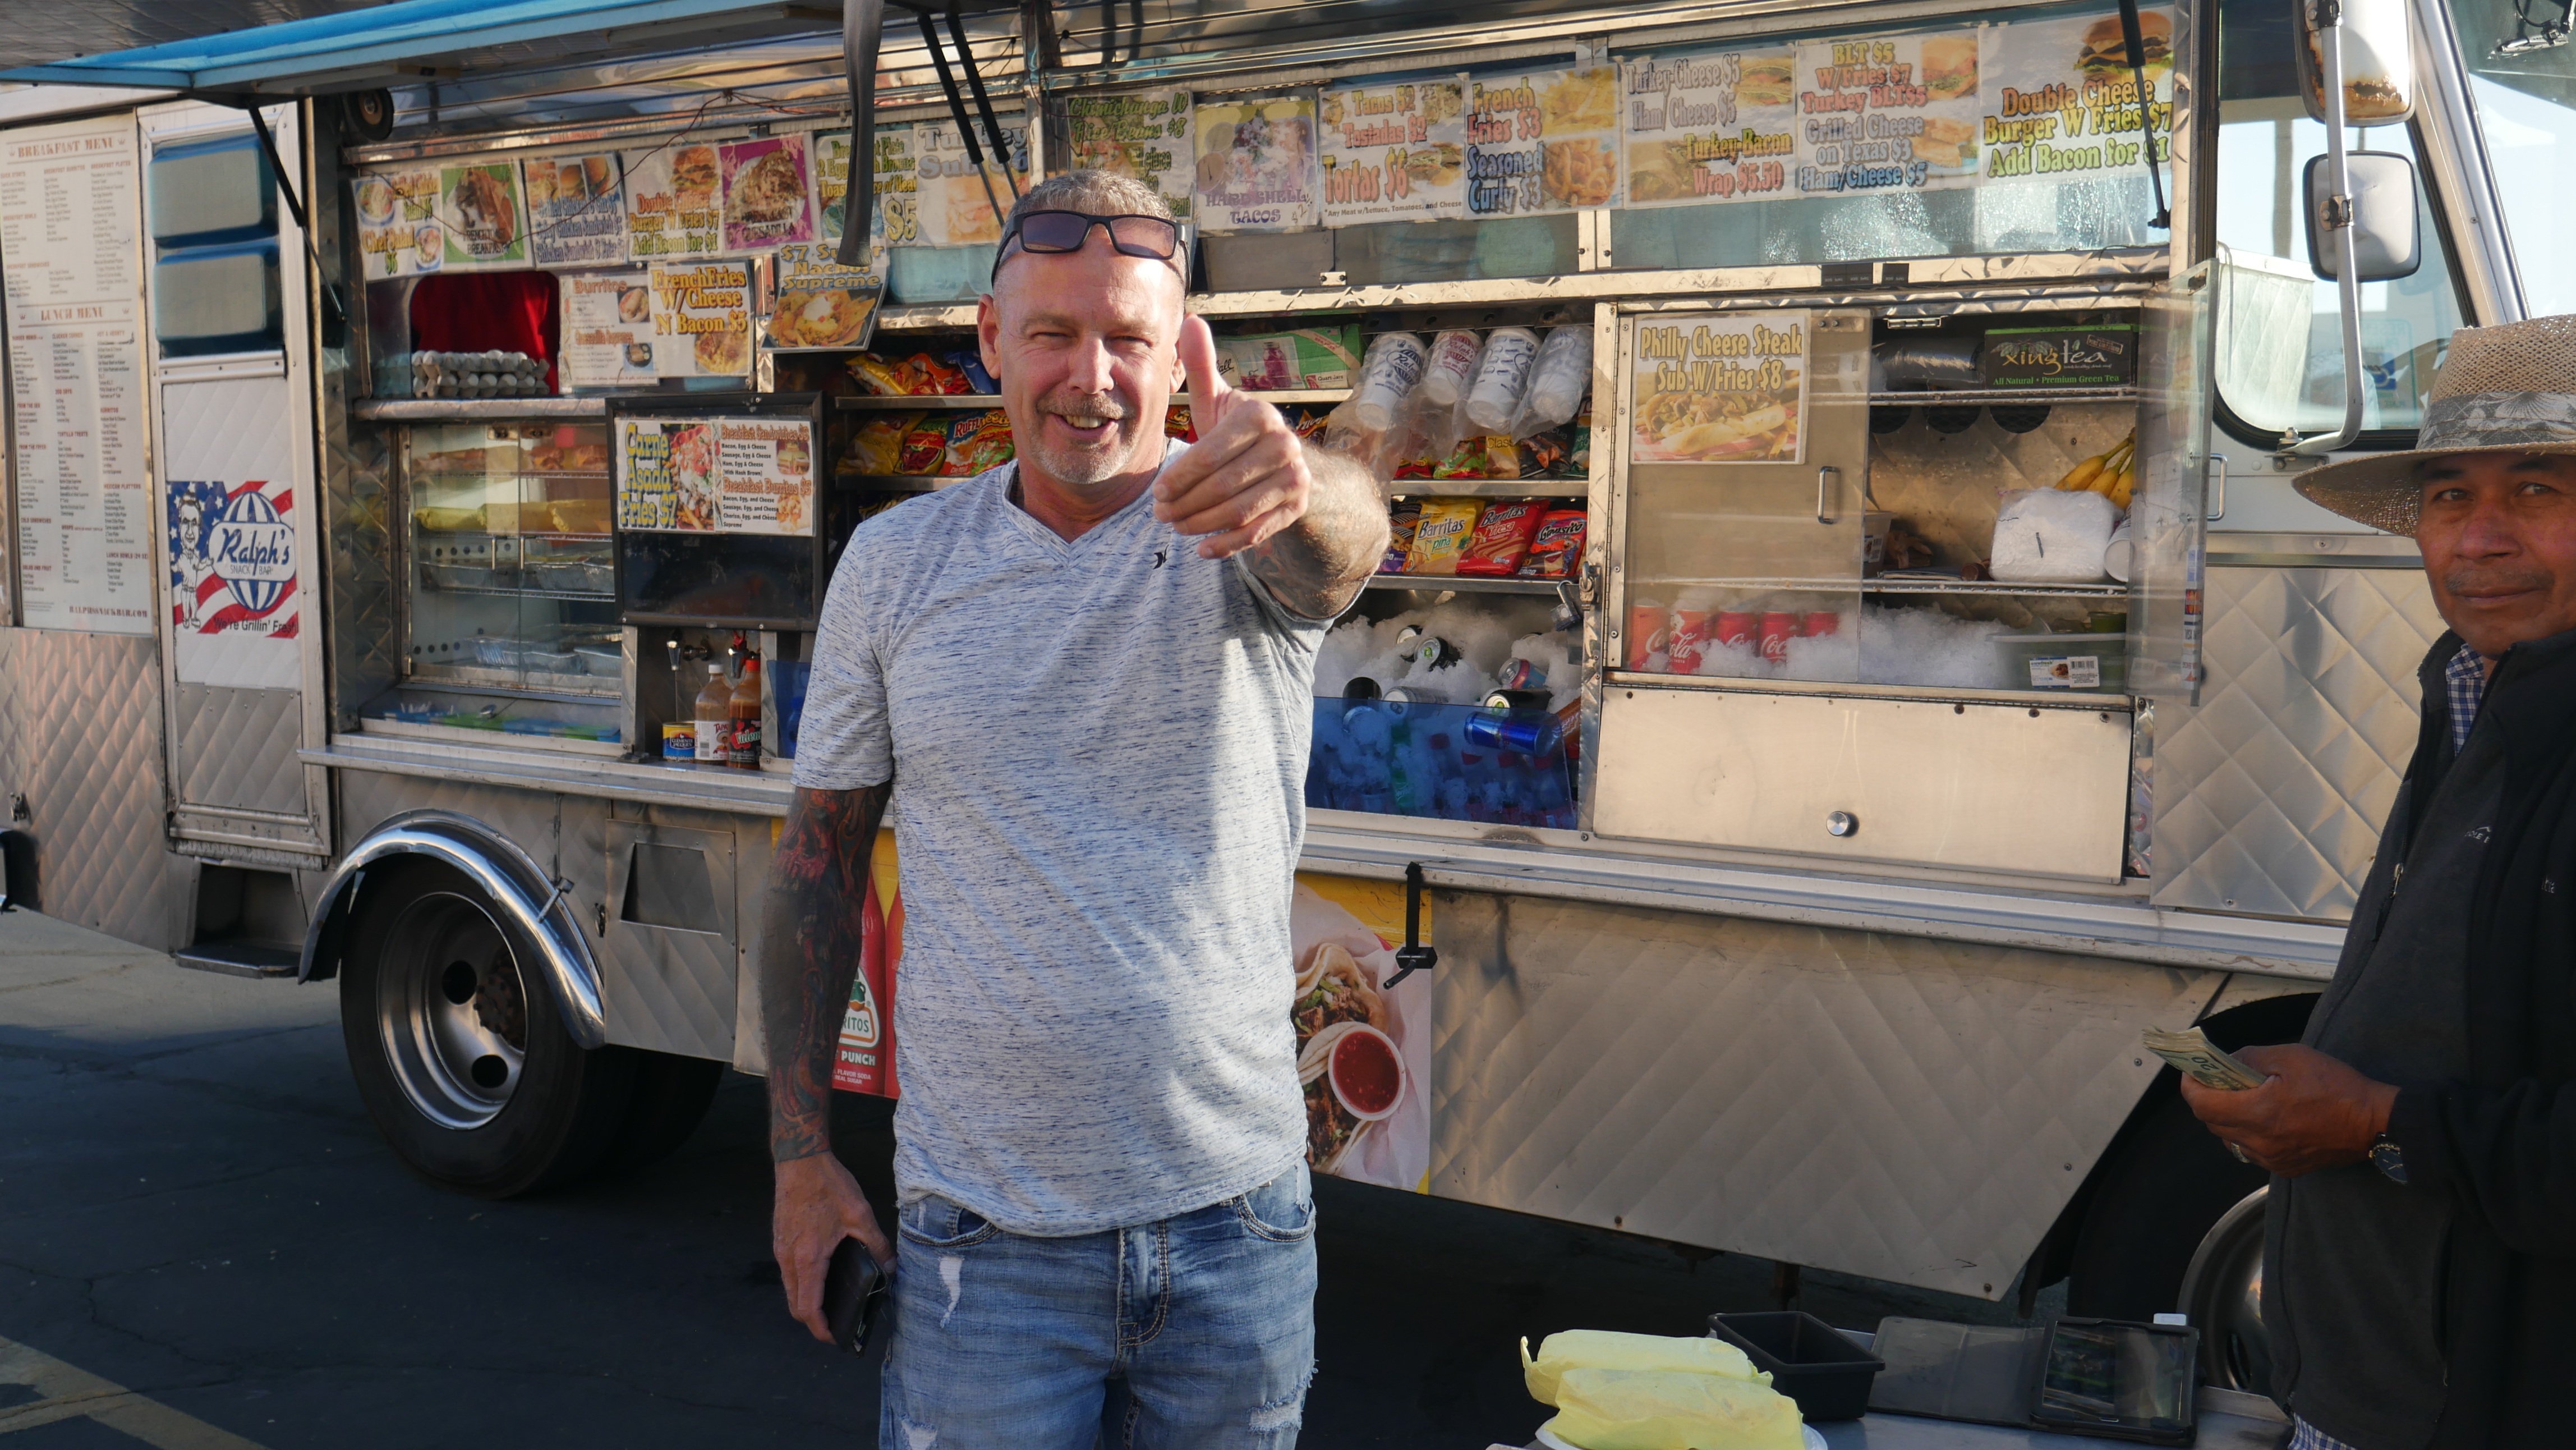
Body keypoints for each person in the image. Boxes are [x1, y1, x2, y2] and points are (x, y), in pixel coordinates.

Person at [755, 169, 1388, 1449]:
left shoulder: (1245, 534)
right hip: (978, 1243)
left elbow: (1347, 543)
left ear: (1176, 354)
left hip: (1234, 1226)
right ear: (991, 339)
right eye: (1053, 333)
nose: (1089, 377)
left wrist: (1298, 480)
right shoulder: (896, 564)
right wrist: (799, 1156)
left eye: (1127, 340)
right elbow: (817, 865)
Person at [2179, 314, 2576, 1449]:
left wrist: (2372, 1122)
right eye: (2450, 496)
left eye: (2537, 490)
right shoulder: (2476, 694)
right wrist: (2299, 1109)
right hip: (2375, 1391)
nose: (2480, 538)